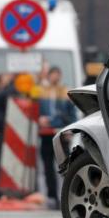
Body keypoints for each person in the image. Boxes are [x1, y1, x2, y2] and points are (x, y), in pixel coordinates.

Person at [38, 67, 76, 208]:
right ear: (49, 76)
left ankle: (68, 195)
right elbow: (36, 111)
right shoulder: (41, 92)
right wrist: (39, 119)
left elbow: (71, 114)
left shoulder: (64, 91)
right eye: (53, 75)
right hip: (46, 134)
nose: (56, 77)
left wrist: (70, 130)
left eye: (57, 75)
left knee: (65, 167)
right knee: (48, 167)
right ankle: (52, 197)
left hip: (60, 133)